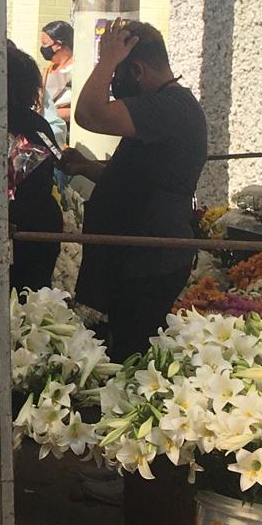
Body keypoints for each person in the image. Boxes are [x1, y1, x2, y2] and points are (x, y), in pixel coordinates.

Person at [63, 20, 207, 360]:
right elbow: (142, 177)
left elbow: (89, 113)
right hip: (134, 257)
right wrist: (87, 168)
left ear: (137, 70)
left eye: (116, 75)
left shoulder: (168, 106)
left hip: (149, 259)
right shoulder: (165, 108)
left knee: (132, 356)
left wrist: (106, 59)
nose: (112, 84)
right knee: (121, 349)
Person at [0, 45, 63, 291]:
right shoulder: (39, 124)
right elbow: (57, 159)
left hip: (3, 222)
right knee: (32, 293)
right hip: (39, 220)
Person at [40, 20, 74, 124]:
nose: (42, 48)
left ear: (58, 45)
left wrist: (48, 114)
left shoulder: (76, 71)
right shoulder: (49, 69)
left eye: (45, 44)